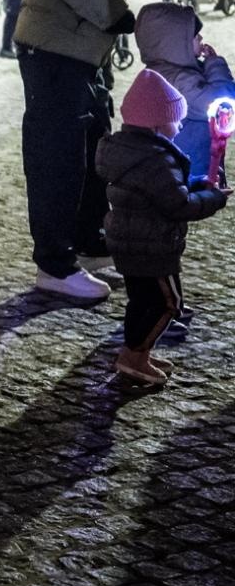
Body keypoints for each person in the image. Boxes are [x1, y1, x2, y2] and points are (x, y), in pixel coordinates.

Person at [14, 0, 174, 300]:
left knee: (91, 149)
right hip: (54, 49)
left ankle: (85, 241)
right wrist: (112, 12)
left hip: (80, 49)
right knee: (57, 157)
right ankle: (54, 265)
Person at [94, 70, 227, 388]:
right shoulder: (156, 160)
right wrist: (213, 198)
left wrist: (198, 184)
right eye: (176, 120)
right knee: (168, 303)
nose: (179, 126)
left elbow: (163, 192)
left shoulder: (130, 152)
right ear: (157, 124)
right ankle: (134, 357)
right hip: (153, 247)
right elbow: (178, 205)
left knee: (141, 302)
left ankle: (137, 351)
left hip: (129, 243)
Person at [134, 2, 235, 183]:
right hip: (190, 171)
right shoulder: (180, 80)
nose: (201, 37)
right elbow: (223, 102)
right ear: (175, 43)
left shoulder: (162, 72)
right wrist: (215, 64)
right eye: (195, 35)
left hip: (179, 166)